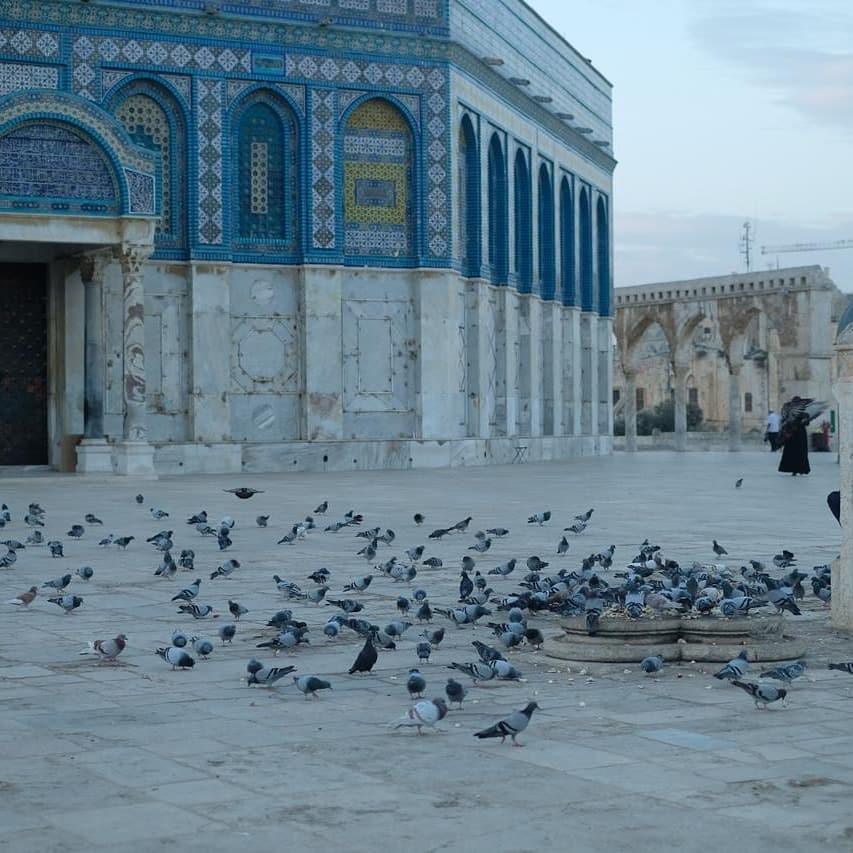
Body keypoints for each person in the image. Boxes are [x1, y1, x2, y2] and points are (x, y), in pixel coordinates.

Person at [778, 397, 810, 476]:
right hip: (796, 435)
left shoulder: (801, 414)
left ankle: (797, 469)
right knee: (798, 452)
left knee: (795, 452)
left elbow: (806, 423)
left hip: (795, 434)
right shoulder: (800, 414)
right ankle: (799, 469)